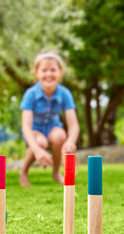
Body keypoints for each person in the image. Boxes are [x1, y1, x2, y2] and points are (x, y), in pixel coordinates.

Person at [19, 51, 80, 188]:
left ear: (60, 72)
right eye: (44, 70)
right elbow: (26, 127)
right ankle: (23, 171)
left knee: (60, 136)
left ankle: (56, 172)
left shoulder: (65, 93)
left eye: (53, 70)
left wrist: (70, 142)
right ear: (37, 73)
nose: (48, 74)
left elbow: (74, 124)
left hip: (53, 128)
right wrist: (37, 149)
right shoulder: (30, 94)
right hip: (34, 131)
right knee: (40, 142)